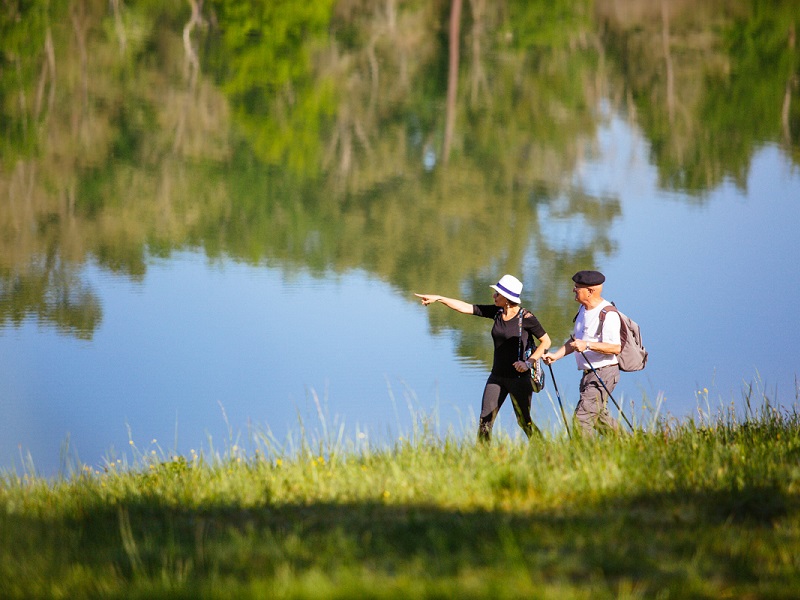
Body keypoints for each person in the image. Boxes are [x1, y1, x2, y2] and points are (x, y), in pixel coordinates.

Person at [415, 274, 551, 442]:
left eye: (497, 294)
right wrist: (439, 298)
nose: (494, 296)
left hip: (519, 378)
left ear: (507, 298)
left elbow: (546, 341)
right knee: (485, 422)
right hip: (497, 377)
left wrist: (528, 363)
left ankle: (545, 450)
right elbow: (466, 308)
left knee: (524, 422)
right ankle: (484, 459)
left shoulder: (527, 318)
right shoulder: (497, 312)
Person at [543, 270, 621, 435]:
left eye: (577, 287)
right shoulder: (582, 310)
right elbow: (575, 341)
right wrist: (556, 356)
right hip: (588, 374)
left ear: (590, 291)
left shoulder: (608, 314)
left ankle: (585, 456)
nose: (573, 290)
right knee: (599, 418)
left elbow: (615, 348)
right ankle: (631, 444)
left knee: (582, 419)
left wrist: (587, 345)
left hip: (604, 373)